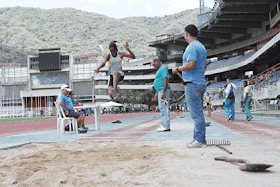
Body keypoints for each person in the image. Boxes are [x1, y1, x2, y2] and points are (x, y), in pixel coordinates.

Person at [172, 24, 207, 148]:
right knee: (199, 113)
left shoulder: (192, 47)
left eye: (184, 35)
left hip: (193, 84)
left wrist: (177, 68)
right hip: (199, 82)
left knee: (196, 114)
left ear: (187, 33)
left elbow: (191, 64)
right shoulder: (202, 47)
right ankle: (200, 139)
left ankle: (199, 140)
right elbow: (203, 66)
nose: (184, 37)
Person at [152, 58, 171, 132]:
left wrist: (163, 92)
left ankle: (166, 126)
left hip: (163, 91)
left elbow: (165, 79)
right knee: (162, 108)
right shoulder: (159, 70)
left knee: (164, 108)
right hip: (160, 90)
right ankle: (164, 125)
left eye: (154, 64)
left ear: (158, 62)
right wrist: (157, 93)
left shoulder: (163, 68)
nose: (154, 66)